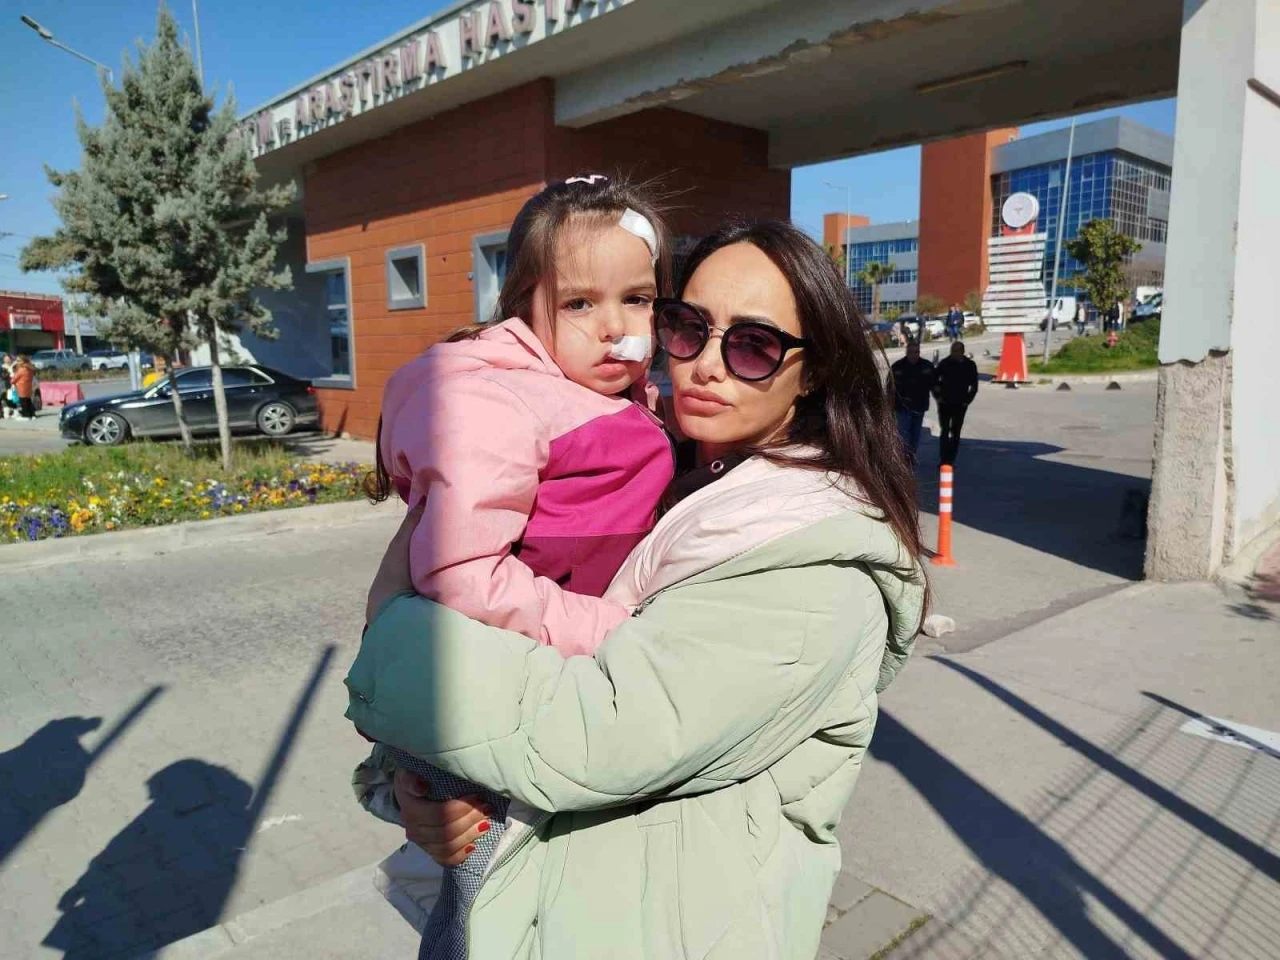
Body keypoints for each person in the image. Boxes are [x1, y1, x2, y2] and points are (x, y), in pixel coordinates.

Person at [349, 219, 927, 959]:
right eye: (688, 328)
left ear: (812, 372)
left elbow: (593, 736)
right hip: (540, 904)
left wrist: (394, 633)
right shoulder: (672, 470)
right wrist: (422, 785)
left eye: (753, 345)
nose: (707, 365)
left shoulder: (815, 559)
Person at [358, 175, 677, 959]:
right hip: (493, 688)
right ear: (524, 303)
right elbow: (461, 575)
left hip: (528, 683)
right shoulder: (499, 401)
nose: (616, 329)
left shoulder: (601, 393)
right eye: (580, 303)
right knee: (487, 911)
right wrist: (614, 629)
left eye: (637, 299)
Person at [888, 340, 935, 464]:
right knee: (903, 434)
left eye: (916, 352)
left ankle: (911, 458)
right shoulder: (897, 367)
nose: (914, 355)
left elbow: (935, 385)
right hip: (902, 407)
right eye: (911, 352)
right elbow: (889, 387)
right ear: (907, 352)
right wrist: (889, 404)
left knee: (915, 435)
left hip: (919, 407)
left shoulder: (927, 366)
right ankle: (903, 460)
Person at [933, 340, 979, 465]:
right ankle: (944, 459)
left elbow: (974, 386)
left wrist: (967, 401)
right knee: (945, 430)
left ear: (962, 351)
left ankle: (951, 458)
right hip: (945, 403)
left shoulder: (969, 365)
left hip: (960, 404)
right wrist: (938, 396)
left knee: (956, 431)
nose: (953, 353)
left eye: (956, 351)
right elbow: (934, 380)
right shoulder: (945, 363)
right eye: (952, 351)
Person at [12, 355, 36, 420]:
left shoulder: (21, 369)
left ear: (23, 361)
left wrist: (12, 380)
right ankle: (32, 414)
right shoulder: (30, 368)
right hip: (28, 387)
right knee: (28, 401)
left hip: (21, 387)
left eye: (19, 361)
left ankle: (26, 416)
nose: (17, 362)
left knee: (23, 402)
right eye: (17, 360)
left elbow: (14, 379)